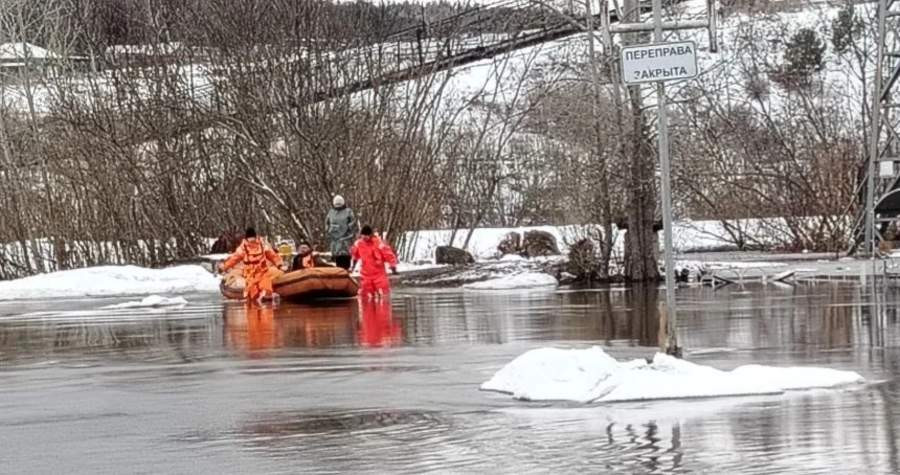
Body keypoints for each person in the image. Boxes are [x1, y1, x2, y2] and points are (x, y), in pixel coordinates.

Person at [219, 227, 285, 303]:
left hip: (263, 271)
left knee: (266, 285)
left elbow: (273, 256)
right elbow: (234, 259)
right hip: (250, 273)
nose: (252, 240)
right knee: (252, 290)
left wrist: (279, 265)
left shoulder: (263, 245)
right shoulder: (242, 248)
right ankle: (257, 300)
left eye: (253, 237)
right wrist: (224, 267)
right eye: (250, 238)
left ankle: (267, 297)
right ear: (247, 238)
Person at [350, 225, 398, 300]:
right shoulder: (358, 244)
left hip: (379, 274)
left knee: (383, 295)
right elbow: (355, 256)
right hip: (366, 275)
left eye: (366, 235)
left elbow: (388, 255)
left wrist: (393, 266)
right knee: (365, 296)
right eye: (363, 235)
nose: (364, 237)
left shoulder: (379, 243)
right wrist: (352, 267)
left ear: (370, 235)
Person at [326, 195, 357, 270]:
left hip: (345, 241)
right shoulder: (331, 212)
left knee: (345, 262)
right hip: (336, 242)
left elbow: (353, 225)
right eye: (336, 204)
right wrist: (331, 230)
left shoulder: (348, 212)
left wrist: (348, 232)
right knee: (338, 264)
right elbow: (327, 224)